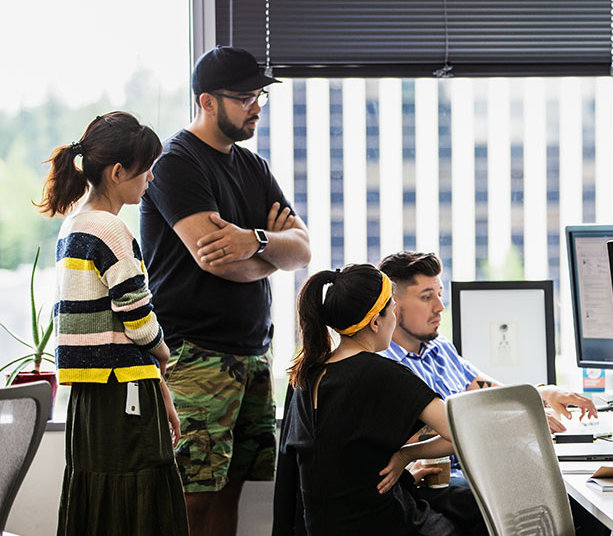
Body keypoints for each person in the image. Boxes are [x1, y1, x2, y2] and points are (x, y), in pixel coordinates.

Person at [140, 46, 311, 536]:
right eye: (243, 97)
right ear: (207, 102)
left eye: (258, 95)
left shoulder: (253, 167)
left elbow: (302, 251)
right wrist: (269, 257)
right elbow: (213, 260)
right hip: (195, 354)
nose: (256, 105)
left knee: (232, 489)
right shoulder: (175, 162)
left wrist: (254, 240)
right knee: (192, 497)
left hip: (253, 353)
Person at [38, 112, 188, 535]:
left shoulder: (74, 225)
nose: (151, 179)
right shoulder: (111, 229)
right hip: (122, 392)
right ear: (119, 171)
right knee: (137, 504)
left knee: (99, 504)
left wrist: (155, 380)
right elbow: (137, 318)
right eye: (147, 170)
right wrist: (163, 353)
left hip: (93, 396)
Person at [281, 264, 484, 535]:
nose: (395, 317)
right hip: (385, 523)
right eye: (392, 309)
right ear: (376, 321)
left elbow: (344, 466)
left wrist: (406, 474)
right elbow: (462, 432)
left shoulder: (307, 375)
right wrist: (405, 456)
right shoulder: (383, 374)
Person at [377, 251, 599, 433]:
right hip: (444, 480)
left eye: (439, 294)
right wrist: (515, 418)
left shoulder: (439, 348)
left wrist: (543, 395)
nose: (440, 307)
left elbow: (492, 393)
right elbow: (410, 437)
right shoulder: (381, 367)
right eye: (427, 297)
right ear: (393, 305)